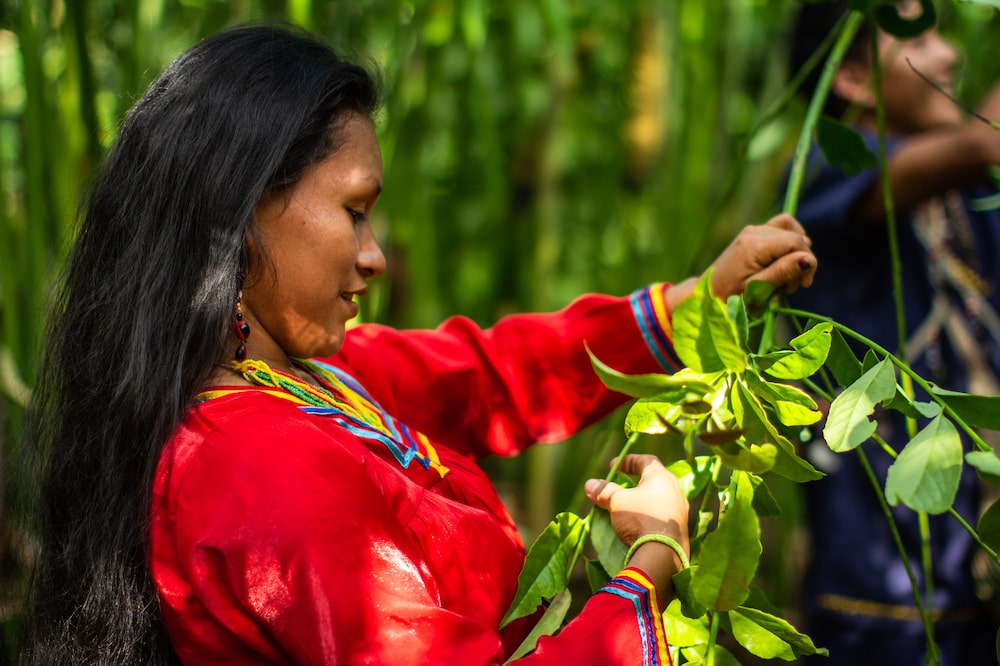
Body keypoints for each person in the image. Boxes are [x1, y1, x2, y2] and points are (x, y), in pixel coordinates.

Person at [22, 24, 817, 665]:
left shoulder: (302, 378)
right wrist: (651, 567)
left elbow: (489, 375)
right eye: (355, 211)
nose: (373, 254)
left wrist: (699, 301)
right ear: (243, 214)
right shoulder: (264, 470)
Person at [784, 1, 1000, 664]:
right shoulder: (832, 164)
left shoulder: (971, 197)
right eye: (919, 36)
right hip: (881, 594)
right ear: (849, 79)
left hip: (980, 577)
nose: (950, 56)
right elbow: (987, 140)